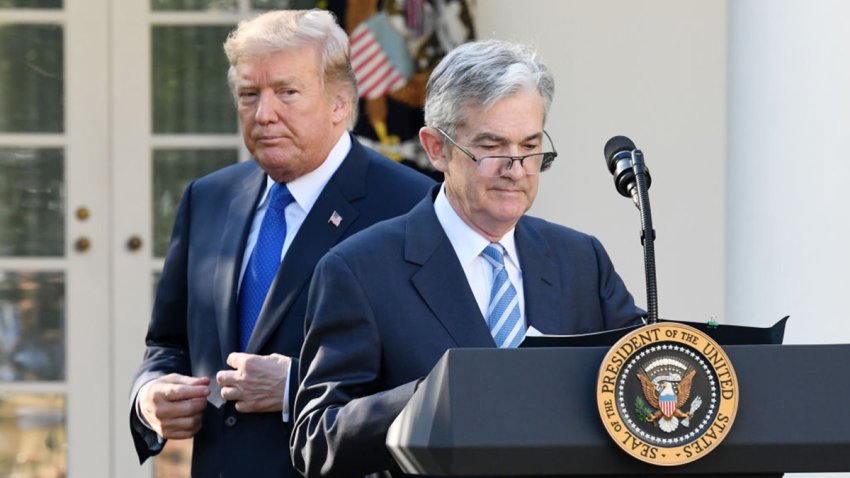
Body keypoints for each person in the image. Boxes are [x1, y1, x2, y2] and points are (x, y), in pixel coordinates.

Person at [290, 39, 645, 477]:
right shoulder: (359, 270)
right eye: (492, 146)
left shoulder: (580, 260)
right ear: (436, 148)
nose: (515, 169)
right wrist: (433, 397)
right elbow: (316, 441)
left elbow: (639, 378)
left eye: (530, 146)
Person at [129, 9, 434, 477]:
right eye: (249, 95)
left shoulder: (411, 205)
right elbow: (167, 343)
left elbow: (429, 381)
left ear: (340, 102)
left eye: (287, 93)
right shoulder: (208, 199)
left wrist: (297, 386)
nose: (264, 113)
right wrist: (149, 397)